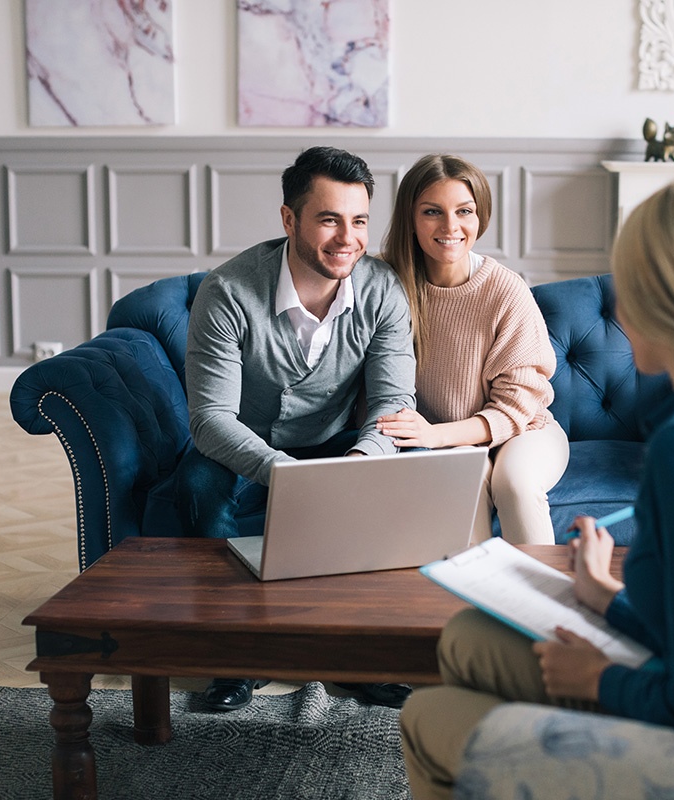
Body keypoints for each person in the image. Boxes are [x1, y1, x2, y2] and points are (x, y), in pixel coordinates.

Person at [399, 178, 674, 799]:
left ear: (666, 300)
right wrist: (607, 597)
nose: (620, 310)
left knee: (426, 718)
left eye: (626, 285)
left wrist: (598, 680)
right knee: (469, 638)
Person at [178, 146, 417, 711]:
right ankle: (233, 659)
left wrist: (358, 465)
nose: (347, 238)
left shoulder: (383, 291)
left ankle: (357, 656)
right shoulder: (229, 291)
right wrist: (283, 474)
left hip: (338, 445)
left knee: (382, 493)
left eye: (358, 221)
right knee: (197, 493)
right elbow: (210, 419)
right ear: (290, 219)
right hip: (241, 446)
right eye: (329, 219)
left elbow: (393, 402)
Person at [377, 154, 569, 545]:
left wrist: (435, 435)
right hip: (445, 438)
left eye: (464, 211)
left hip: (524, 429)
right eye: (432, 212)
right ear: (411, 219)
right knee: (463, 482)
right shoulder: (386, 283)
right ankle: (477, 598)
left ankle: (543, 603)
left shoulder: (504, 289)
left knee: (515, 484)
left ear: (481, 216)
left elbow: (517, 409)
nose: (451, 227)